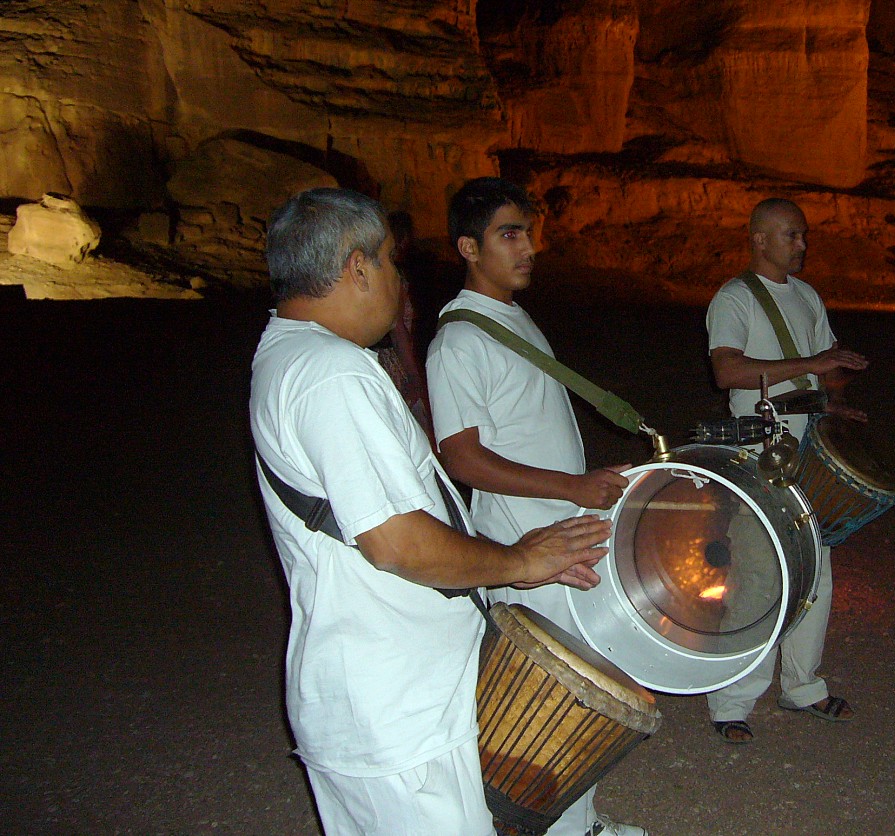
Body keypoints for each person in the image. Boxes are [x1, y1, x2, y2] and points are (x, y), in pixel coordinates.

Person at [250, 187, 613, 835]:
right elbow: (397, 541)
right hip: (396, 704)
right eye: (391, 260)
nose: (399, 280)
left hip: (381, 693)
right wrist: (519, 561)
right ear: (358, 267)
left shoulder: (290, 355)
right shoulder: (332, 373)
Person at [426, 177, 645, 836]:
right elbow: (462, 458)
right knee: (548, 703)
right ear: (469, 247)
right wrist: (572, 488)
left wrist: (586, 489)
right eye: (509, 234)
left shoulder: (511, 318)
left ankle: (580, 824)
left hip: (558, 536)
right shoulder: (458, 342)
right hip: (524, 549)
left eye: (527, 232)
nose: (528, 248)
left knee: (578, 693)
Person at [704, 196, 868, 744]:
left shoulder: (807, 296)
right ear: (759, 238)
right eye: (791, 235)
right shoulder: (734, 298)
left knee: (815, 569)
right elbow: (728, 371)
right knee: (758, 573)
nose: (802, 245)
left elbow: (821, 371)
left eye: (803, 235)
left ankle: (803, 685)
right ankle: (732, 700)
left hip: (809, 447)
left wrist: (836, 386)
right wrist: (813, 364)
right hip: (761, 449)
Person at [375, 210, 433, 439]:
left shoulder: (386, 276)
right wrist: (413, 375)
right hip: (394, 359)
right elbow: (398, 329)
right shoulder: (392, 278)